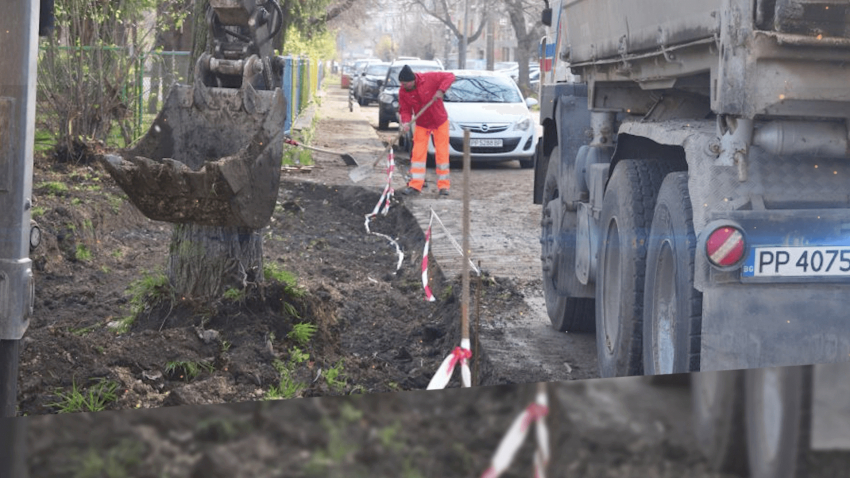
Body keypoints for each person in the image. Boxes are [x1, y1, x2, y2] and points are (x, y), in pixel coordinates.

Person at [397, 64, 456, 196]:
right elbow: (405, 109)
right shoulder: (403, 91)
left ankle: (444, 186)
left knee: (441, 153)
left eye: (407, 84)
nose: (405, 86)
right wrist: (405, 122)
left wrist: (441, 90)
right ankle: (415, 185)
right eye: (403, 84)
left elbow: (450, 76)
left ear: (413, 80)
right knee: (418, 153)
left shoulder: (429, 78)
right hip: (422, 123)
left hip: (439, 120)